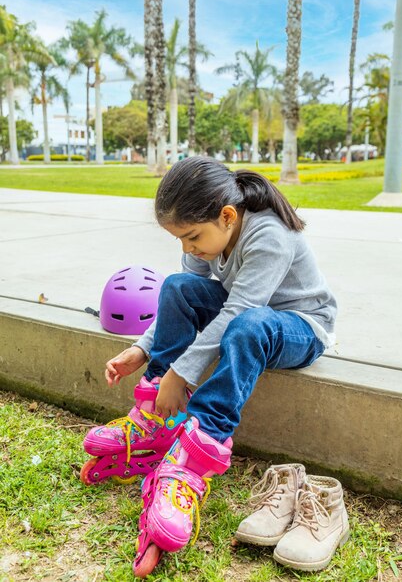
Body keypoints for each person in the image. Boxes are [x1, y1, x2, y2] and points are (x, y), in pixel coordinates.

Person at [83, 156, 339, 577]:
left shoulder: (268, 235)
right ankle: (156, 421)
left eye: (192, 236)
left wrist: (180, 374)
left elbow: (239, 312)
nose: (188, 248)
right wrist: (143, 351)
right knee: (178, 286)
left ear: (227, 216)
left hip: (300, 328)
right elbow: (191, 297)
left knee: (247, 325)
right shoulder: (211, 236)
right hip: (249, 320)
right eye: (180, 239)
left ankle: (195, 453)